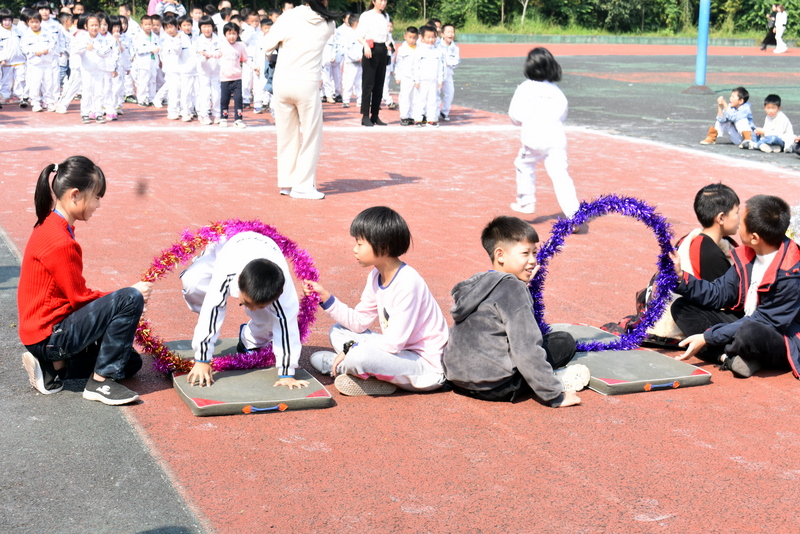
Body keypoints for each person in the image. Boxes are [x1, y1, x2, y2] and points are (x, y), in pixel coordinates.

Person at [18, 156, 152, 404]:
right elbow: (79, 299)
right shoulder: (60, 242)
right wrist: (128, 295)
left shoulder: (49, 224)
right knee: (129, 298)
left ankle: (54, 368)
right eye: (97, 197)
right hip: (49, 335)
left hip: (43, 333)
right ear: (75, 195)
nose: (98, 204)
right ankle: (100, 382)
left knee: (130, 362)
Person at [443, 216, 588, 406]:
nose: (533, 261)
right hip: (496, 386)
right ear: (500, 255)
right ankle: (554, 379)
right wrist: (554, 396)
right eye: (525, 253)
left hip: (458, 379)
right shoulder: (514, 290)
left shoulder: (478, 285)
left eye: (534, 253)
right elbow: (526, 349)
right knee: (563, 342)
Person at [304, 206, 449, 396]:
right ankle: (362, 372)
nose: (354, 249)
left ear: (384, 247)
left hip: (425, 367)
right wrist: (325, 297)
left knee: (359, 355)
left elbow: (393, 343)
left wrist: (350, 349)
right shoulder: (375, 275)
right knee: (338, 331)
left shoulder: (407, 282)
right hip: (398, 354)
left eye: (359, 243)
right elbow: (358, 322)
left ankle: (341, 367)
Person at [672, 195, 800, 379]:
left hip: (780, 337)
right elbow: (719, 293)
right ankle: (727, 357)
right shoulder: (748, 254)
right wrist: (681, 278)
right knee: (682, 307)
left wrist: (707, 337)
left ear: (754, 237)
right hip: (747, 321)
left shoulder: (791, 273)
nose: (738, 223)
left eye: (742, 222)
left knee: (750, 333)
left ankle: (728, 353)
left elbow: (766, 321)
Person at [607, 183, 740, 344]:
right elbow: (722, 297)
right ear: (721, 218)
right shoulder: (709, 251)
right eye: (737, 212)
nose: (739, 219)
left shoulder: (696, 240)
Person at [180, 232, 307, 389]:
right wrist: (202, 359)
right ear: (238, 280)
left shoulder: (284, 292)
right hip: (226, 247)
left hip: (265, 250)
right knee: (192, 284)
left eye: (258, 306)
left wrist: (287, 373)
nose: (250, 309)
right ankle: (203, 320)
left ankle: (250, 338)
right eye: (246, 303)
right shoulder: (227, 272)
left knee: (270, 319)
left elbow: (287, 326)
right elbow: (212, 310)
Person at [261, 0, 336, 199]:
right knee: (311, 135)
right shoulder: (329, 23)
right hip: (307, 83)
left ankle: (287, 183)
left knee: (286, 135)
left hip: (282, 81)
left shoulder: (288, 16)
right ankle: (302, 185)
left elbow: (267, 45)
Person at [508, 47, 580, 218]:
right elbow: (562, 113)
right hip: (555, 138)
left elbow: (515, 115)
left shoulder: (525, 88)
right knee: (561, 175)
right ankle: (574, 214)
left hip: (533, 137)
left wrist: (526, 120)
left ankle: (526, 202)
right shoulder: (556, 91)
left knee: (523, 164)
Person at [355, 0, 391, 126]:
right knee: (368, 84)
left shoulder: (385, 16)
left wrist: (388, 44)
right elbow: (359, 35)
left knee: (379, 84)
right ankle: (365, 115)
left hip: (382, 49)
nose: (383, 3)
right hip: (370, 49)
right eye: (380, 0)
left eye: (385, 0)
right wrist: (366, 46)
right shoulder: (367, 15)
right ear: (373, 1)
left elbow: (386, 36)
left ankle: (375, 115)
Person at [219, 21, 255, 128]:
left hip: (237, 78)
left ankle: (238, 119)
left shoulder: (240, 47)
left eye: (234, 33)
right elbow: (216, 54)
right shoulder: (221, 46)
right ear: (225, 35)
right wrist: (206, 54)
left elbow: (246, 59)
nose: (232, 36)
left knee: (238, 99)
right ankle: (223, 118)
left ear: (238, 34)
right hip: (225, 79)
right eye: (229, 33)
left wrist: (254, 67)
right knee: (224, 100)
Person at [20, 12, 58, 112]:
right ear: (28, 23)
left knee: (48, 83)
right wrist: (33, 52)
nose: (34, 24)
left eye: (36, 22)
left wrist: (48, 50)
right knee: (35, 84)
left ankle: (49, 102)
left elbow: (53, 43)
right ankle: (35, 103)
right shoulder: (26, 35)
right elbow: (23, 48)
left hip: (47, 62)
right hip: (34, 64)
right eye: (32, 22)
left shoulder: (47, 33)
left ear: (40, 22)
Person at [411, 25, 443, 128]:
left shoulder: (438, 52)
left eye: (433, 37)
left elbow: (441, 67)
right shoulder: (419, 51)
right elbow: (415, 67)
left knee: (432, 101)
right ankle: (418, 119)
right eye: (428, 37)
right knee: (420, 100)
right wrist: (416, 80)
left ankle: (431, 120)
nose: (431, 39)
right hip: (422, 81)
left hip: (433, 81)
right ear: (422, 38)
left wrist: (440, 79)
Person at [195, 15, 221, 125]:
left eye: (209, 26)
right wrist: (205, 57)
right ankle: (204, 114)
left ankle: (217, 114)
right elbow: (199, 58)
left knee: (216, 94)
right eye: (204, 27)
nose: (207, 29)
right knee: (204, 94)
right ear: (200, 28)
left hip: (216, 72)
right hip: (203, 73)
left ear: (213, 27)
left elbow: (221, 53)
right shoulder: (198, 41)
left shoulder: (218, 40)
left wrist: (208, 54)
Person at [132, 14, 161, 106]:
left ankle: (152, 98)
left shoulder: (155, 37)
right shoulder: (138, 36)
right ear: (141, 25)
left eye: (149, 24)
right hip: (143, 62)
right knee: (143, 81)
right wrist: (150, 50)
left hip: (153, 61)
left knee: (152, 80)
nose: (148, 26)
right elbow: (138, 50)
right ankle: (141, 99)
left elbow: (158, 47)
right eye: (146, 24)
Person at [394, 25, 416, 126]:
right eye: (410, 37)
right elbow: (398, 63)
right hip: (405, 76)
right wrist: (398, 76)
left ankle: (412, 116)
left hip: (416, 78)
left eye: (414, 38)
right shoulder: (402, 49)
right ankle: (404, 116)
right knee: (405, 96)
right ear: (405, 37)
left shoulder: (419, 48)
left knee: (414, 97)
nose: (412, 40)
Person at [340, 13, 361, 110]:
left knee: (359, 83)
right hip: (351, 63)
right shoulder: (348, 35)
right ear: (356, 23)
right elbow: (347, 50)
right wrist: (356, 57)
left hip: (360, 63)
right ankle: (346, 100)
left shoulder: (361, 34)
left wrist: (362, 57)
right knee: (349, 82)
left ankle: (360, 100)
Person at [439, 23, 459, 121]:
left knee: (450, 93)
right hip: (437, 74)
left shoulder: (455, 48)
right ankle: (433, 113)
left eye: (452, 32)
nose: (450, 34)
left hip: (448, 74)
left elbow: (456, 62)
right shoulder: (437, 45)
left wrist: (448, 62)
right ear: (443, 34)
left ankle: (444, 112)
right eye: (448, 32)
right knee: (435, 94)